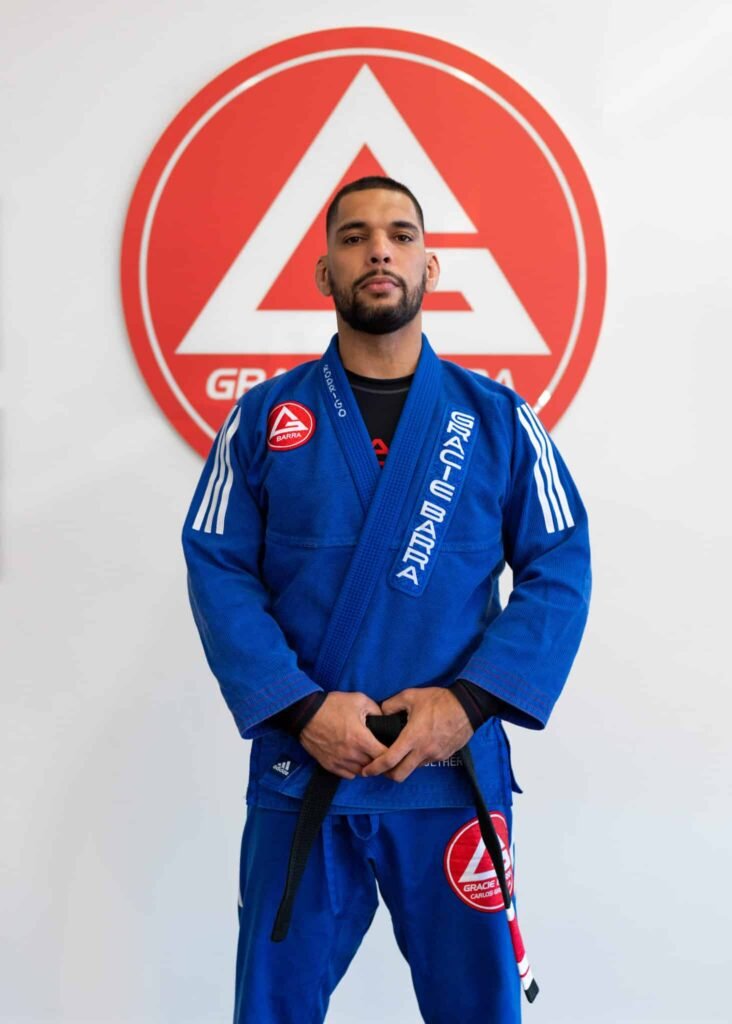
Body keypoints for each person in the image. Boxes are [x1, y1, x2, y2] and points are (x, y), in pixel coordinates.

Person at [182, 175, 591, 1024]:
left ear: (432, 266)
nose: (379, 249)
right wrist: (298, 709)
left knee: (479, 1012)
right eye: (355, 236)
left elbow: (561, 561)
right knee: (272, 1012)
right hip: (304, 776)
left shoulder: (499, 418)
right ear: (323, 273)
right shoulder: (264, 418)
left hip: (449, 778)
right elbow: (217, 564)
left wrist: (468, 703)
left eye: (401, 235)